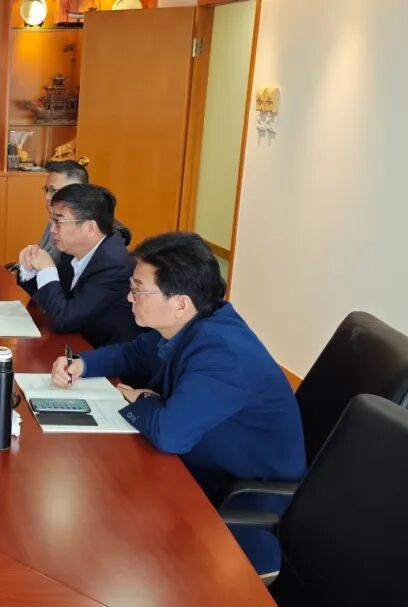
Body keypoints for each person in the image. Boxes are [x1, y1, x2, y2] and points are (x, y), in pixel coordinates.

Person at [50, 231, 305, 574]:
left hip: (237, 505)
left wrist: (142, 400)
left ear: (181, 303)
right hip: (199, 469)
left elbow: (170, 435)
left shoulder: (222, 352)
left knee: (107, 540)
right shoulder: (192, 322)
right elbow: (134, 354)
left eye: (139, 289)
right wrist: (82, 364)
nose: (129, 297)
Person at [16, 184, 143, 347]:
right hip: (73, 342)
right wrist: (30, 270)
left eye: (58, 221)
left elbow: (63, 319)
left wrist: (47, 270)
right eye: (52, 221)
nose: (52, 229)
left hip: (101, 352)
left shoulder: (114, 266)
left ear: (90, 227)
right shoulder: (73, 249)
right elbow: (50, 299)